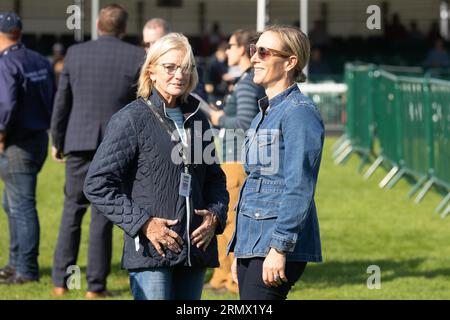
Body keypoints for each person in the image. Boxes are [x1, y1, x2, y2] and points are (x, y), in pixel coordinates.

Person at [83, 33, 229, 300]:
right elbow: (97, 183)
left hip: (194, 249)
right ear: (151, 70)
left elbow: (215, 179)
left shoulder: (198, 120)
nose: (179, 75)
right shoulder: (131, 119)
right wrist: (144, 224)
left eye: (186, 67)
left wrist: (215, 216)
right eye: (170, 67)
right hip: (152, 251)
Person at [50, 4, 145, 298]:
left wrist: (57, 138)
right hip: (115, 144)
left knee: (72, 211)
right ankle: (95, 286)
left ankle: (60, 281)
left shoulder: (75, 54)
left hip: (78, 141)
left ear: (98, 26)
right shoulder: (136, 55)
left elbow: (62, 100)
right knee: (103, 214)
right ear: (123, 28)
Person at [227, 25, 324, 300]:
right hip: (254, 243)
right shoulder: (264, 113)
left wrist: (279, 248)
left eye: (264, 52)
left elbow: (299, 185)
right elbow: (255, 183)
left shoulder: (299, 113)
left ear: (291, 62)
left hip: (275, 244)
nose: (254, 58)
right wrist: (242, 250)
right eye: (253, 51)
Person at [206, 29, 264, 294]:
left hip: (237, 160)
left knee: (229, 222)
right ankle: (222, 277)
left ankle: (229, 280)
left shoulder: (246, 83)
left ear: (243, 49)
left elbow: (243, 123)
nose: (227, 51)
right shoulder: (247, 81)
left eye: (230, 45)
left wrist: (218, 119)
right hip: (235, 158)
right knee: (228, 221)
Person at [0, 12, 55, 284]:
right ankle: (15, 263)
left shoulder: (6, 63)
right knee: (11, 204)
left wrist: (0, 133)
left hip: (17, 143)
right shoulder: (39, 60)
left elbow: (6, 105)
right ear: (19, 32)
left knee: (20, 206)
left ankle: (26, 270)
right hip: (38, 139)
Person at [142, 17, 208, 101]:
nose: (150, 48)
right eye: (147, 44)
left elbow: (198, 100)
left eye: (156, 43)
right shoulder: (138, 67)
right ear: (150, 73)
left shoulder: (191, 68)